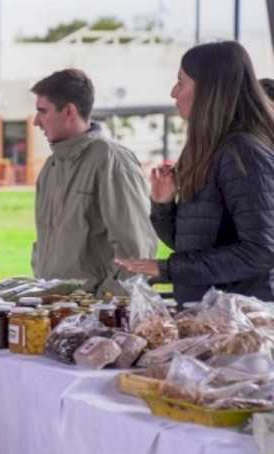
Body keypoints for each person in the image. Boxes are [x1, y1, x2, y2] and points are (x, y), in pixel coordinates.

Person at [115, 42, 274, 304]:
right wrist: (163, 205)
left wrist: (167, 269)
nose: (173, 92)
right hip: (207, 316)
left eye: (181, 83)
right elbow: (188, 246)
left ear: (209, 90)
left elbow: (261, 251)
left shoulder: (242, 152)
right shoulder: (208, 149)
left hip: (240, 323)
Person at [30, 69, 157, 295]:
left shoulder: (111, 160)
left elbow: (136, 253)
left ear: (69, 111)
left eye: (42, 111)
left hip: (93, 319)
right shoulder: (50, 168)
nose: (36, 121)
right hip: (55, 312)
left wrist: (101, 309)